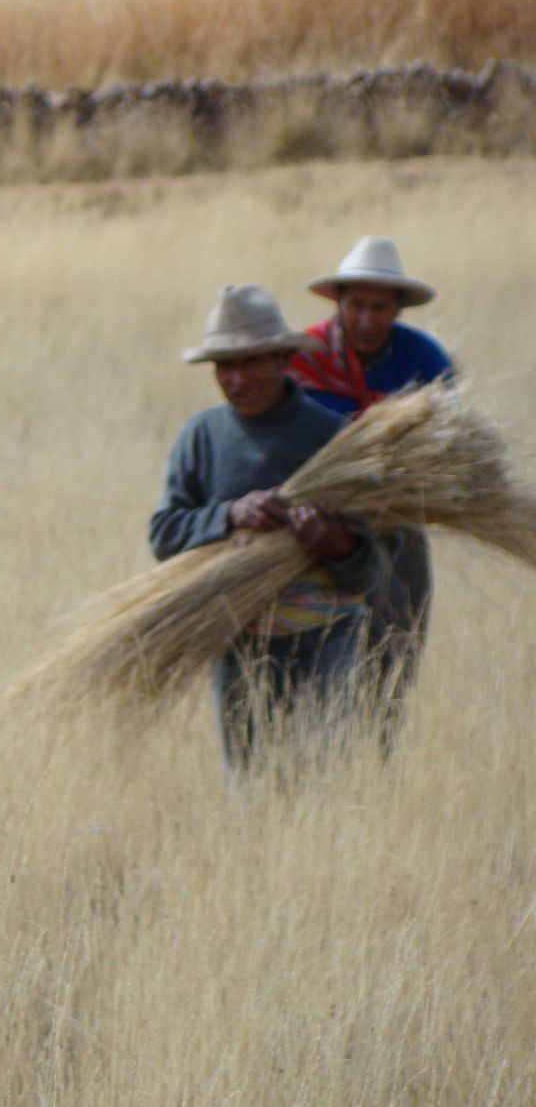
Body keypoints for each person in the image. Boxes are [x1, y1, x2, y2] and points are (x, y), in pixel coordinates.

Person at [150, 285, 383, 780]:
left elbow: (369, 564)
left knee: (327, 780)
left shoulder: (332, 437)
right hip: (240, 640)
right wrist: (230, 513)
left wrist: (333, 542)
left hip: (328, 636)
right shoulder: (202, 437)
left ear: (283, 358)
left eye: (251, 362)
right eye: (224, 366)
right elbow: (165, 534)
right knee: (253, 786)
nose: (236, 379)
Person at [289, 236, 455, 709]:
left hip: (396, 525)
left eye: (379, 307)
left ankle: (378, 765)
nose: (366, 319)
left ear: (399, 308)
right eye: (356, 305)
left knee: (392, 658)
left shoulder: (425, 360)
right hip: (313, 530)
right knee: (316, 664)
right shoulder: (301, 358)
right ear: (338, 302)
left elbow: (445, 444)